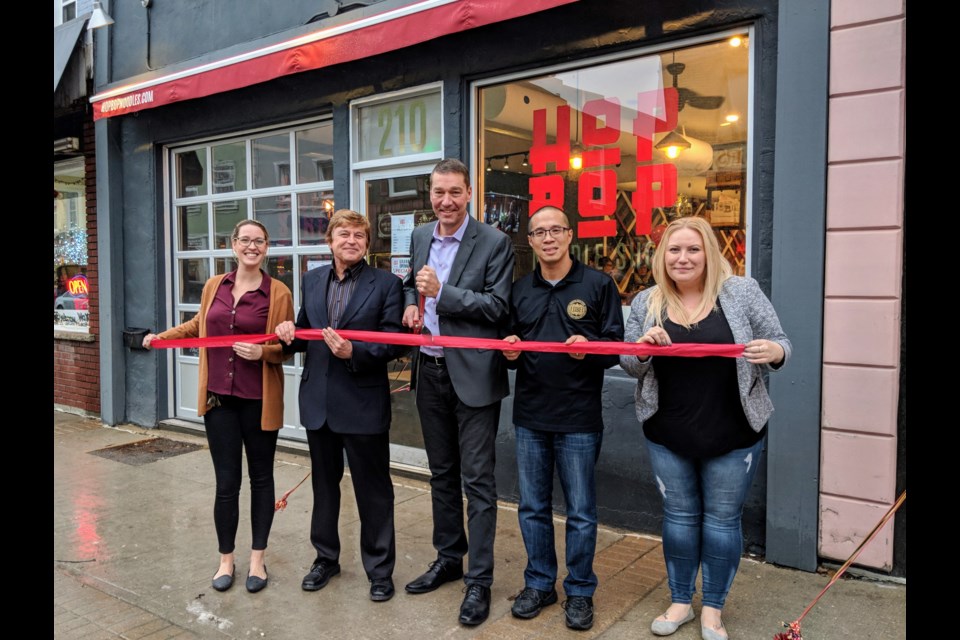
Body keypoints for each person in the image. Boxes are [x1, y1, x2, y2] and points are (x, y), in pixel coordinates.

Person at [619, 216, 791, 640]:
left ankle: (712, 609)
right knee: (678, 519)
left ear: (709, 254)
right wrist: (642, 351)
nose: (683, 258)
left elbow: (780, 342)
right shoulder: (646, 301)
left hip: (733, 431)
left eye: (693, 249)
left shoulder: (740, 292)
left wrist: (774, 352)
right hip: (668, 431)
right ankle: (681, 602)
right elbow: (628, 363)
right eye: (674, 250)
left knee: (721, 521)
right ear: (663, 256)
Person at [142, 219, 294, 594]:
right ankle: (226, 559)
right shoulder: (215, 285)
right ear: (233, 245)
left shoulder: (278, 293)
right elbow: (198, 325)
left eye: (259, 241)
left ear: (267, 247)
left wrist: (263, 351)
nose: (251, 246)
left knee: (261, 480)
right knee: (226, 483)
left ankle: (258, 559)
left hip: (258, 401)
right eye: (245, 240)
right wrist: (161, 338)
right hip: (219, 401)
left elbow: (285, 347)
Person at [400, 158, 514, 626]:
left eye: (454, 192)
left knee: (478, 482)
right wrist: (412, 304)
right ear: (430, 195)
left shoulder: (494, 242)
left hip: (473, 376)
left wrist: (442, 293)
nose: (445, 201)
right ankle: (450, 559)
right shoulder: (420, 236)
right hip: (429, 371)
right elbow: (412, 283)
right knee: (441, 474)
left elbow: (497, 307)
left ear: (469, 193)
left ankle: (480, 581)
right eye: (437, 192)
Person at [501, 206, 624, 631]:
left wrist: (590, 347)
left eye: (556, 230)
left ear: (570, 235)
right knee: (532, 507)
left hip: (579, 416)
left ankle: (580, 590)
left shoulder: (598, 284)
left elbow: (614, 345)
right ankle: (539, 583)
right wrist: (510, 352)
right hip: (531, 414)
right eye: (539, 232)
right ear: (530, 241)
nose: (548, 238)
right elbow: (510, 350)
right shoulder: (519, 290)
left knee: (581, 511)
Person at [274, 209, 405, 603]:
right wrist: (286, 334)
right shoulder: (312, 280)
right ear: (329, 240)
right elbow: (303, 333)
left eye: (359, 236)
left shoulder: (386, 284)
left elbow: (393, 341)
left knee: (374, 492)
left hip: (363, 402)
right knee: (324, 488)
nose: (351, 241)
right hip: (319, 403)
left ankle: (380, 571)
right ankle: (325, 558)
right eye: (344, 234)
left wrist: (355, 352)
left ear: (367, 243)